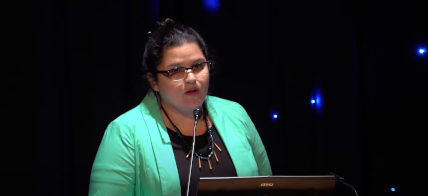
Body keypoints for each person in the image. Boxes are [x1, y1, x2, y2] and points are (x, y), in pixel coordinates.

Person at [89, 18, 272, 196]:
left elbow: (268, 186)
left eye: (198, 66)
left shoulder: (235, 113)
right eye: (175, 70)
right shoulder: (125, 132)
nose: (191, 78)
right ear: (154, 81)